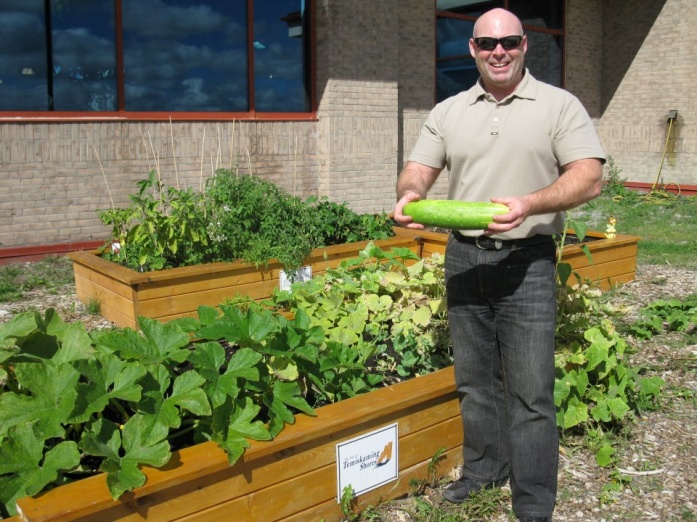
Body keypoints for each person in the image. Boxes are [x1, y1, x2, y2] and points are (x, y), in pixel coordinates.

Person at [393, 8, 605, 522]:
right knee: (474, 379)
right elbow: (418, 168)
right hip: (464, 256)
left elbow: (588, 176)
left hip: (527, 260)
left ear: (525, 44)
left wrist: (529, 205)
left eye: (509, 41)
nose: (499, 52)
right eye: (487, 44)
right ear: (472, 49)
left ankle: (532, 502)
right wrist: (411, 195)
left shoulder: (558, 105)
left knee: (532, 391)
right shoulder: (449, 110)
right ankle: (485, 471)